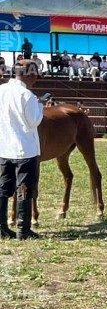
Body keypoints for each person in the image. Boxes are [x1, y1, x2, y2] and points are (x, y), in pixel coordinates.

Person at [0, 62, 43, 240]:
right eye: (34, 76)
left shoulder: (1, 90)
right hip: (24, 150)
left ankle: (2, 228)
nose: (35, 80)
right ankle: (23, 230)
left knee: (3, 188)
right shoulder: (27, 95)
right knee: (24, 189)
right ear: (29, 75)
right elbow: (33, 121)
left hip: (4, 147)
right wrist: (40, 106)